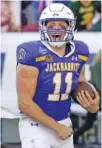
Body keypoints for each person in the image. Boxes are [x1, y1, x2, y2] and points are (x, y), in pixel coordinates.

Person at [16, 3, 99, 148]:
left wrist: (92, 106)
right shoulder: (31, 52)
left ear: (70, 27)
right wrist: (57, 127)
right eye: (51, 24)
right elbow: (25, 104)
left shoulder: (79, 51)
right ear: (43, 27)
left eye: (62, 24)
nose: (56, 28)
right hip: (35, 125)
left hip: (64, 121)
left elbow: (79, 84)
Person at [73, 50, 101, 144]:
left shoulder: (96, 65)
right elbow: (98, 84)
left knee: (89, 122)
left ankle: (76, 135)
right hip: (96, 97)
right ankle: (75, 135)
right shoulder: (97, 66)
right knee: (89, 122)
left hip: (95, 97)